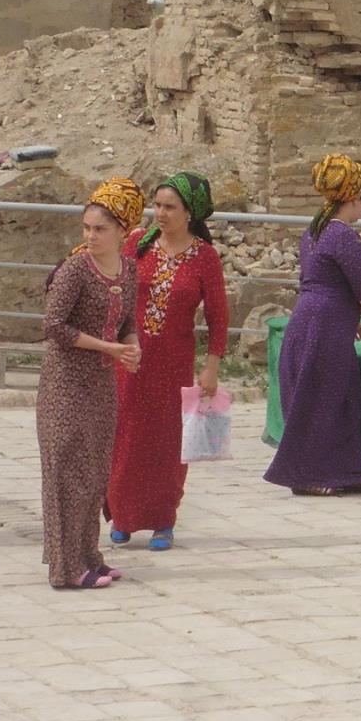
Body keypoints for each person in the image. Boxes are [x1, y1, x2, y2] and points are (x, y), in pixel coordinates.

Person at [107, 172, 229, 550]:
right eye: (156, 205)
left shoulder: (205, 258)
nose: (159, 213)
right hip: (130, 359)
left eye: (169, 207)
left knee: (167, 441)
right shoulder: (136, 246)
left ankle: (163, 519)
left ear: (189, 212)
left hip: (174, 362)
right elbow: (115, 294)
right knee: (125, 435)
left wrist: (212, 365)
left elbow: (218, 316)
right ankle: (123, 515)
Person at [264, 154, 361, 496]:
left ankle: (346, 471)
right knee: (327, 399)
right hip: (325, 324)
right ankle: (306, 475)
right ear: (352, 199)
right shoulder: (344, 237)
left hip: (312, 318)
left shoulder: (314, 231)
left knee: (333, 397)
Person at [40, 181, 144, 590]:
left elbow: (128, 321)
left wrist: (131, 346)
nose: (90, 236)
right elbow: (53, 327)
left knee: (95, 472)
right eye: (86, 228)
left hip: (101, 381)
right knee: (67, 471)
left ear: (123, 230)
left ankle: (89, 556)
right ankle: (65, 568)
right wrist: (109, 347)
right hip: (65, 382)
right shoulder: (75, 270)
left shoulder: (129, 269)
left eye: (99, 229)